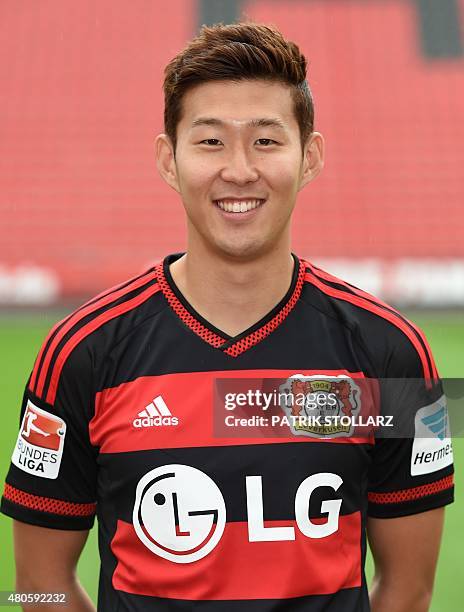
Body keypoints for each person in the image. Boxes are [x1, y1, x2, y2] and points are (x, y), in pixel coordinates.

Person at [1, 22, 454, 612]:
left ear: (310, 155)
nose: (239, 171)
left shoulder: (396, 354)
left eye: (266, 140)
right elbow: (36, 588)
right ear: (169, 159)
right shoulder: (79, 351)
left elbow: (409, 591)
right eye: (210, 141)